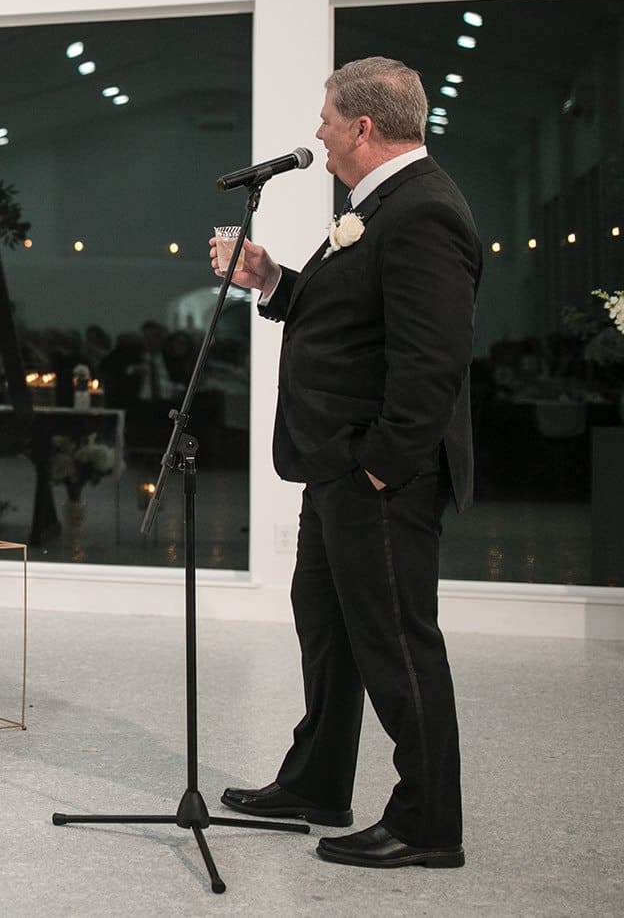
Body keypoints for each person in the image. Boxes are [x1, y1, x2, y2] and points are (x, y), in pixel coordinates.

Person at [209, 57, 481, 870]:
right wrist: (270, 279)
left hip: (379, 477)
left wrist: (377, 468)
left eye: (327, 119)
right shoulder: (377, 206)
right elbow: (350, 316)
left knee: (396, 644)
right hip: (335, 467)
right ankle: (317, 783)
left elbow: (432, 363)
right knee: (328, 632)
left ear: (363, 126)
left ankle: (428, 822)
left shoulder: (424, 211)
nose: (318, 134)